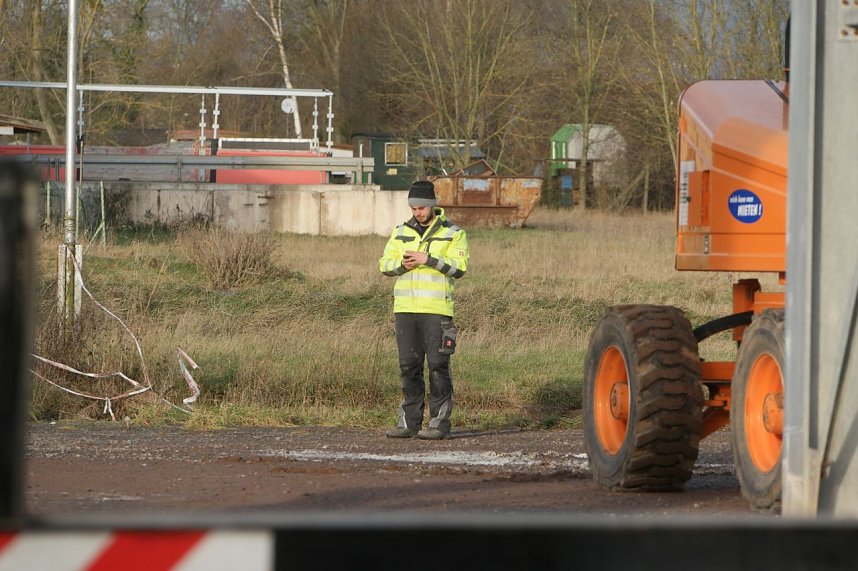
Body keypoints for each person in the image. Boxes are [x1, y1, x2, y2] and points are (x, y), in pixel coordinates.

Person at [379, 180, 469, 440]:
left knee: (438, 366)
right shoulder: (400, 232)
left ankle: (439, 423)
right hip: (405, 309)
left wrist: (428, 260)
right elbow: (385, 265)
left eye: (420, 208)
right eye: (413, 208)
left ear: (432, 206)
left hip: (437, 310)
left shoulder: (454, 233)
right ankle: (409, 422)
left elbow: (459, 268)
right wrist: (403, 266)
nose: (416, 212)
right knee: (409, 366)